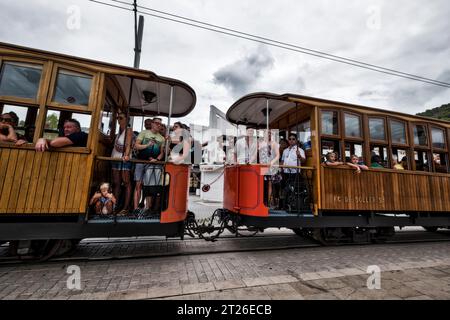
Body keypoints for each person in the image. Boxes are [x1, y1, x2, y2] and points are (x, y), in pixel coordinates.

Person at [133, 117, 165, 212]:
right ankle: (135, 208)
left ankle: (147, 209)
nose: (159, 125)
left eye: (160, 124)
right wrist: (147, 145)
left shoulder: (162, 138)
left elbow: (162, 152)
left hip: (151, 164)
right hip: (140, 161)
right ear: (152, 124)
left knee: (148, 186)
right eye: (157, 123)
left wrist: (157, 159)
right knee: (138, 185)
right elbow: (136, 146)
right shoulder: (144, 133)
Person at [111, 112, 133, 215]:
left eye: (120, 118)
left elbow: (128, 144)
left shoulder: (128, 130)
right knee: (116, 184)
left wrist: (127, 155)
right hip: (115, 158)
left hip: (123, 159)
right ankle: (115, 206)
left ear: (126, 120)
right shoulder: (118, 132)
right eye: (117, 118)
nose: (118, 120)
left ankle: (125, 207)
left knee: (126, 182)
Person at [259, 130, 280, 208]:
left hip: (271, 166)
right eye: (267, 133)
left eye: (270, 133)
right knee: (262, 184)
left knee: (270, 184)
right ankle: (263, 202)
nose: (268, 135)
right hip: (263, 166)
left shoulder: (274, 144)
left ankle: (270, 203)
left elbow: (278, 155)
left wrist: (272, 162)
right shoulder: (261, 144)